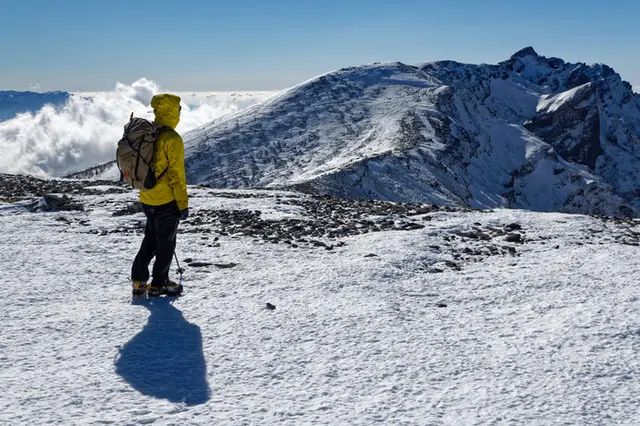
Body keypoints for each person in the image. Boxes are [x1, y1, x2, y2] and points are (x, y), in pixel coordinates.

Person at [130, 93, 189, 297]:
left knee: (151, 239)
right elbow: (177, 176)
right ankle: (159, 283)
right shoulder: (172, 139)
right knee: (166, 242)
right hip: (166, 200)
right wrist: (182, 205)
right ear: (173, 111)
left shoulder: (148, 133)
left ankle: (138, 280)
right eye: (179, 108)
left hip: (147, 197)